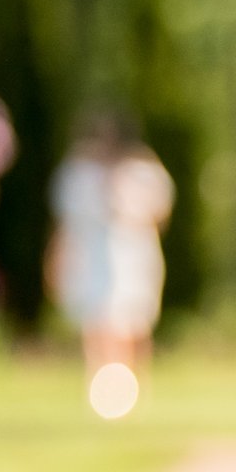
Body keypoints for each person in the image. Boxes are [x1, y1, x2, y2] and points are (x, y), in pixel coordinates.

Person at [50, 120, 172, 384]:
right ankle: (100, 385)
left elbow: (161, 214)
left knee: (133, 320)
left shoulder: (143, 171)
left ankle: (135, 385)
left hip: (133, 252)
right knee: (96, 320)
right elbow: (65, 223)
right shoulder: (79, 173)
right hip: (91, 255)